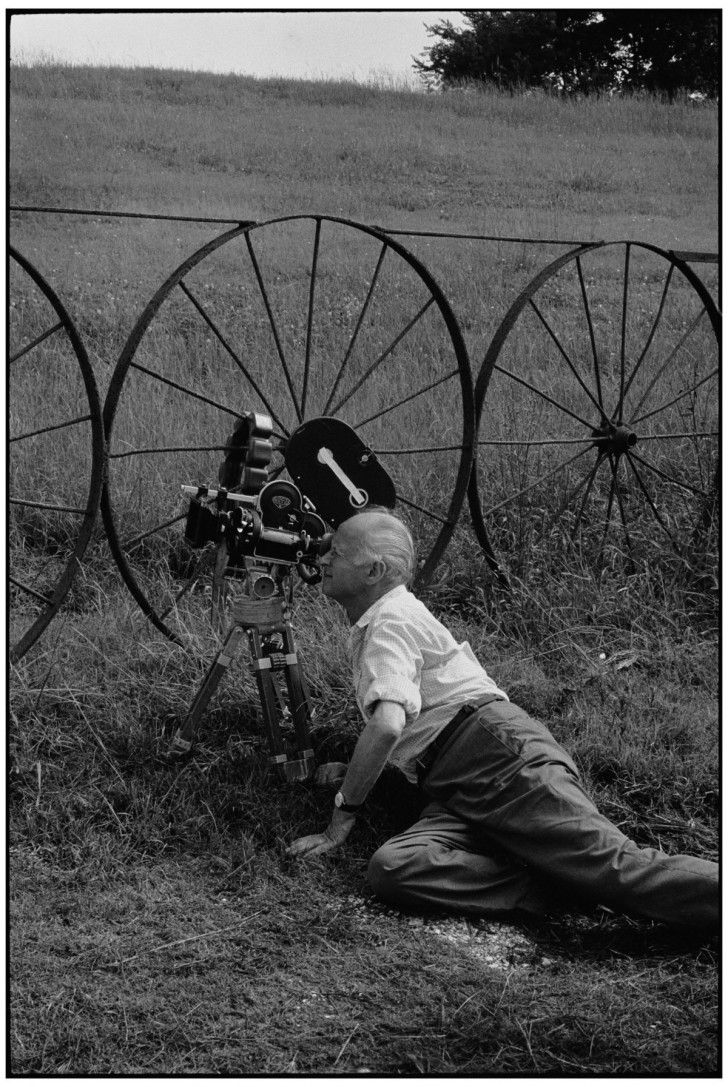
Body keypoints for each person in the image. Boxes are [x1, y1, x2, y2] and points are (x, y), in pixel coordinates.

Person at [287, 510, 719, 932]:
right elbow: (415, 728)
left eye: (336, 552)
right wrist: (362, 773)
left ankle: (603, 881)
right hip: (452, 783)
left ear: (373, 570)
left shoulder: (389, 622)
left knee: (619, 868)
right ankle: (554, 887)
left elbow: (386, 726)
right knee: (393, 867)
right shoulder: (386, 616)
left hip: (502, 761)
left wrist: (339, 822)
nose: (322, 558)